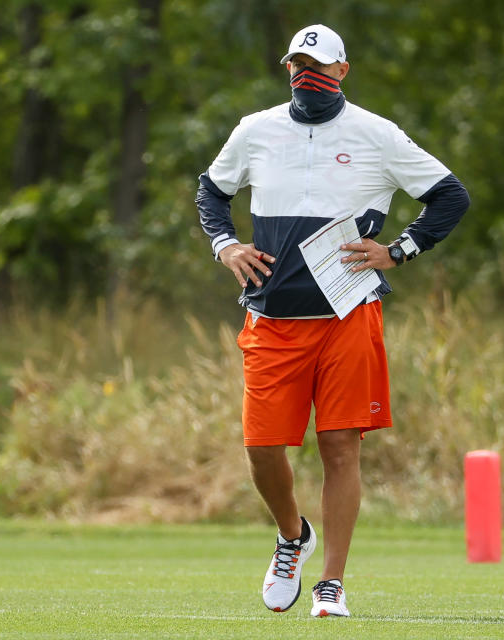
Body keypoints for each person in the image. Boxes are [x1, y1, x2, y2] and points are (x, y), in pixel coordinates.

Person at [195, 24, 469, 617]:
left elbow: (451, 196)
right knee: (263, 448)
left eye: (319, 67)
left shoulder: (377, 134)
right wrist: (225, 245)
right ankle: (293, 535)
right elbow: (212, 192)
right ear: (287, 70)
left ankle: (332, 584)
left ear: (343, 71)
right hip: (273, 318)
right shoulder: (255, 130)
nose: (306, 77)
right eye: (297, 65)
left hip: (349, 314)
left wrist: (399, 250)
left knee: (340, 447)